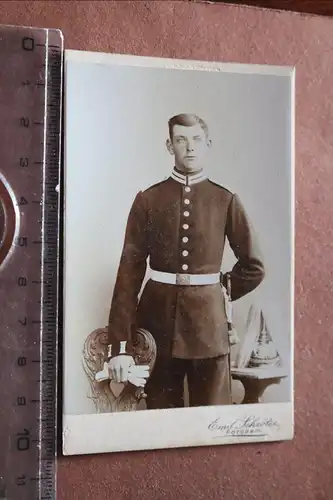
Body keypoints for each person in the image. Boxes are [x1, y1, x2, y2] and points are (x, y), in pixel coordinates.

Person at [107, 113, 265, 409]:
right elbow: (128, 276)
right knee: (160, 423)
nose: (189, 147)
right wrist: (121, 346)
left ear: (207, 144)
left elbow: (254, 267)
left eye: (196, 140)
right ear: (170, 146)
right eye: (181, 140)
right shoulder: (148, 200)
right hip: (156, 329)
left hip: (210, 330)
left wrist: (220, 293)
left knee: (213, 421)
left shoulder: (225, 200)